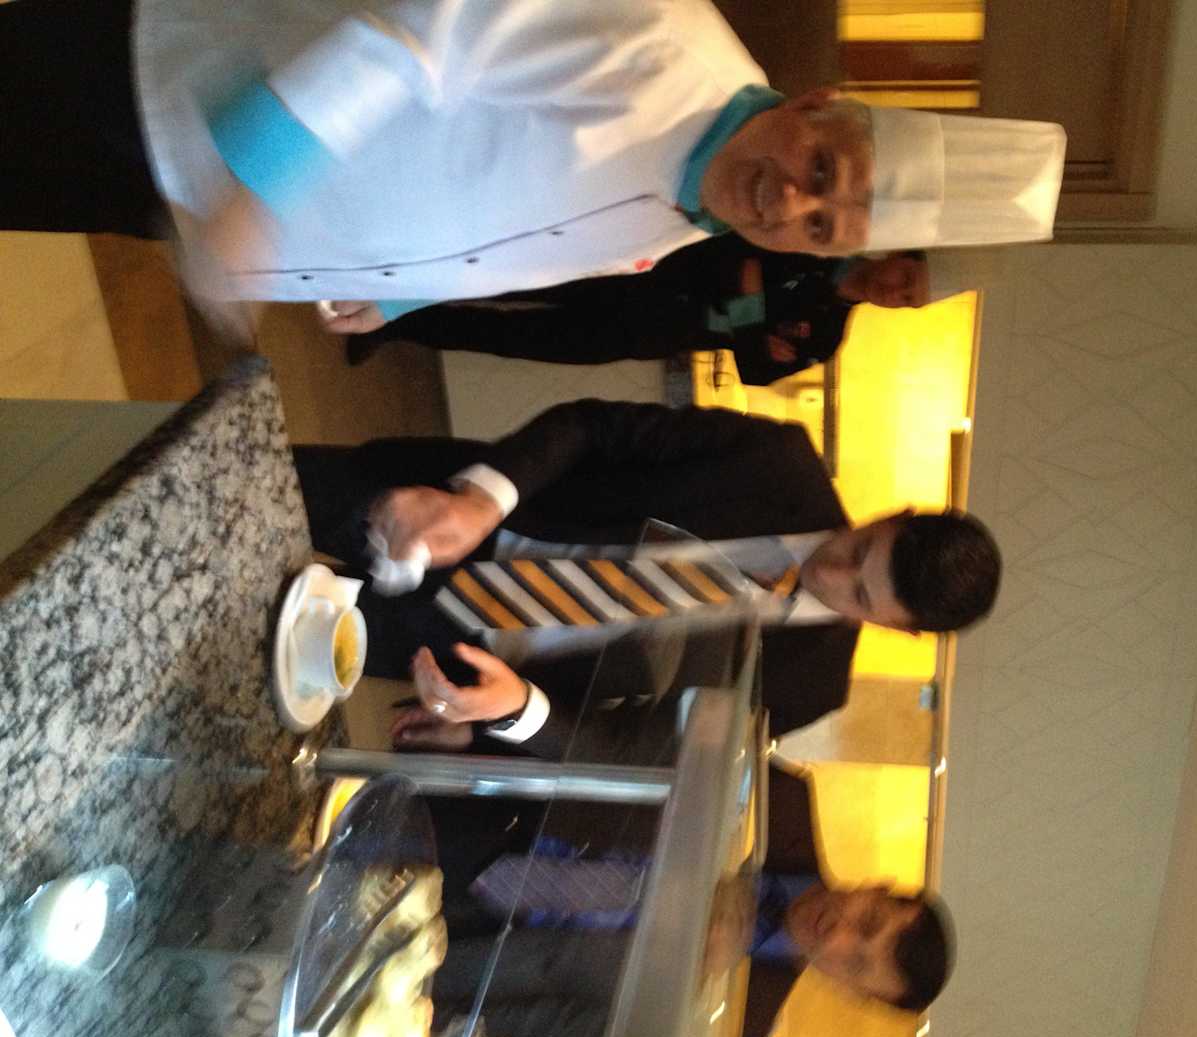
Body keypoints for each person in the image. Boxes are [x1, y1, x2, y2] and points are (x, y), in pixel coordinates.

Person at [3, 0, 1065, 319]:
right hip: (174, 84)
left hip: (206, 211)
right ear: (819, 104)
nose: (788, 204)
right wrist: (262, 180)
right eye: (821, 170)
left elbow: (522, 240)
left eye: (821, 229)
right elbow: (417, 33)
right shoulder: (662, 36)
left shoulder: (690, 219)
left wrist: (401, 295)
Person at [293, 397, 1002, 750]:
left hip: (464, 651)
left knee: (265, 636)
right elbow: (591, 428)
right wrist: (482, 501)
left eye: (861, 594)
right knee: (249, 495)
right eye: (863, 544)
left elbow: (635, 748)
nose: (834, 569)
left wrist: (506, 716)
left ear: (895, 628)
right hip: (446, 506)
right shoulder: (777, 463)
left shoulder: (807, 687)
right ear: (893, 515)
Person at [430, 763, 955, 1037]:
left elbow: (567, 1021)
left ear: (850, 991)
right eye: (868, 921)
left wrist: (440, 1014)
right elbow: (626, 745)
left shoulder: (738, 1024)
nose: (838, 936)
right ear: (877, 888)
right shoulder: (777, 797)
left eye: (856, 964)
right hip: (491, 819)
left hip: (473, 963)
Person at [342, 236, 931, 386]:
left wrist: (748, 302)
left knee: (510, 336)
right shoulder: (818, 247)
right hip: (644, 271)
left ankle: (397, 324)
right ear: (898, 255)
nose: (896, 292)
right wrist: (752, 322)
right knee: (504, 276)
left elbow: (755, 370)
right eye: (906, 278)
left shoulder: (826, 336)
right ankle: (390, 279)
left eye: (908, 298)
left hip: (647, 332)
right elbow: (737, 252)